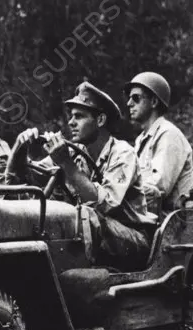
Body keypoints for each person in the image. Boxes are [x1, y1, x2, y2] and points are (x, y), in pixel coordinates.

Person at [10, 81, 157, 269]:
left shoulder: (123, 153)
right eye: (71, 116)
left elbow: (103, 203)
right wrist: (20, 150)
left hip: (132, 239)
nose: (71, 122)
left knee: (85, 215)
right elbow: (31, 179)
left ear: (100, 120)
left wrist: (66, 165)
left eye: (79, 116)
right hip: (97, 236)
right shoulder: (74, 151)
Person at [124, 71, 193, 216]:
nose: (129, 103)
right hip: (149, 216)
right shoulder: (141, 140)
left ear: (154, 102)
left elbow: (157, 188)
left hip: (171, 222)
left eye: (136, 98)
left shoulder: (169, 135)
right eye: (129, 98)